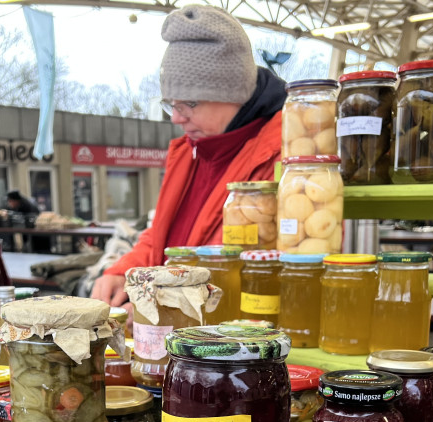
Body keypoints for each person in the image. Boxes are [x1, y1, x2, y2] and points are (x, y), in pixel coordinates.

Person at [90, 5, 286, 306]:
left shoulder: (286, 157)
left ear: (234, 94)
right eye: (172, 104)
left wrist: (160, 303)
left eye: (189, 104)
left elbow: (266, 266)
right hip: (177, 335)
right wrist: (123, 271)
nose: (176, 119)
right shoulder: (190, 153)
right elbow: (163, 240)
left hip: (235, 341)